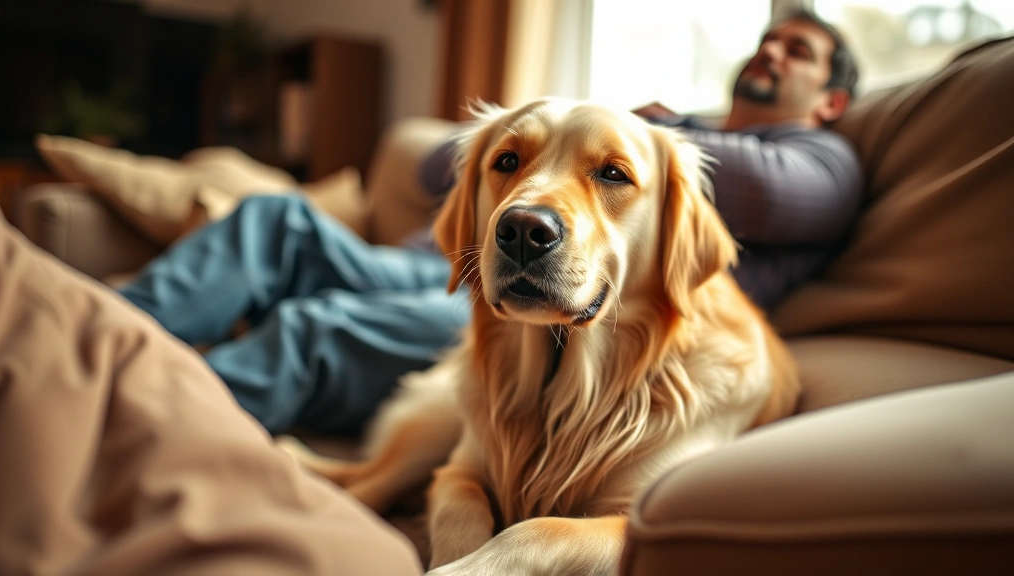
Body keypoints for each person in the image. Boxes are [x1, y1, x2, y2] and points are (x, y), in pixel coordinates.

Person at [118, 10, 862, 437]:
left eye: (799, 51)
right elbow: (428, 168)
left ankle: (132, 427)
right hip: (452, 261)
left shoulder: (820, 161)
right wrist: (533, 143)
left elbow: (770, 195)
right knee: (276, 219)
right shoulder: (657, 130)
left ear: (831, 101)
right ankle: (96, 335)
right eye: (769, 38)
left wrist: (632, 132)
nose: (772, 49)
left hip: (568, 318)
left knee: (316, 326)